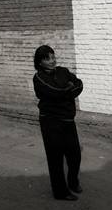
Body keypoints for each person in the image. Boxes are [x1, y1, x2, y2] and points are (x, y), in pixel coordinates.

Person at [33, 45, 84, 201]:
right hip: (50, 122)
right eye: (47, 58)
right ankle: (60, 192)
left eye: (53, 57)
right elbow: (54, 91)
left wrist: (65, 90)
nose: (52, 61)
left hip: (68, 120)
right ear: (39, 62)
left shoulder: (63, 71)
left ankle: (73, 182)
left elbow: (79, 84)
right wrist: (68, 89)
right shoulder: (39, 78)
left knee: (75, 155)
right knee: (55, 158)